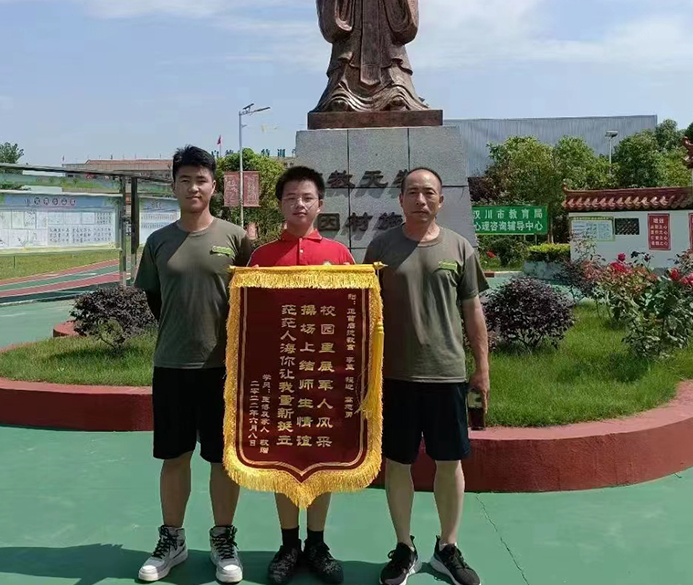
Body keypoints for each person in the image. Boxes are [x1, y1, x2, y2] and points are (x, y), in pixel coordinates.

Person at [364, 167, 490, 585]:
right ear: (400, 199)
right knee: (397, 462)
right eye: (412, 192)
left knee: (449, 462)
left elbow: (473, 311)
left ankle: (447, 547)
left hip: (447, 374)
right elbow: (366, 310)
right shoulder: (381, 247)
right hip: (395, 376)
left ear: (441, 200)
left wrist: (482, 368)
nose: (420, 199)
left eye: (429, 192)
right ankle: (404, 547)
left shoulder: (459, 247)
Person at [134, 145, 253, 583]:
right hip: (172, 366)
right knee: (174, 456)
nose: (193, 187)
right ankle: (173, 540)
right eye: (184, 180)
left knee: (223, 459)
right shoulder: (158, 242)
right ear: (174, 187)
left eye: (201, 180)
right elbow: (155, 299)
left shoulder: (236, 239)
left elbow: (252, 296)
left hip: (224, 370)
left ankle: (223, 540)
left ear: (214, 186)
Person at [248, 166, 352, 585]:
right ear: (280, 204)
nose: (299, 204)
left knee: (321, 458)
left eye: (307, 197)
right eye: (291, 197)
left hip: (325, 379)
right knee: (283, 460)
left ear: (320, 204)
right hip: (279, 380)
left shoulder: (340, 256)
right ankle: (289, 544)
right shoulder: (261, 258)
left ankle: (317, 543)